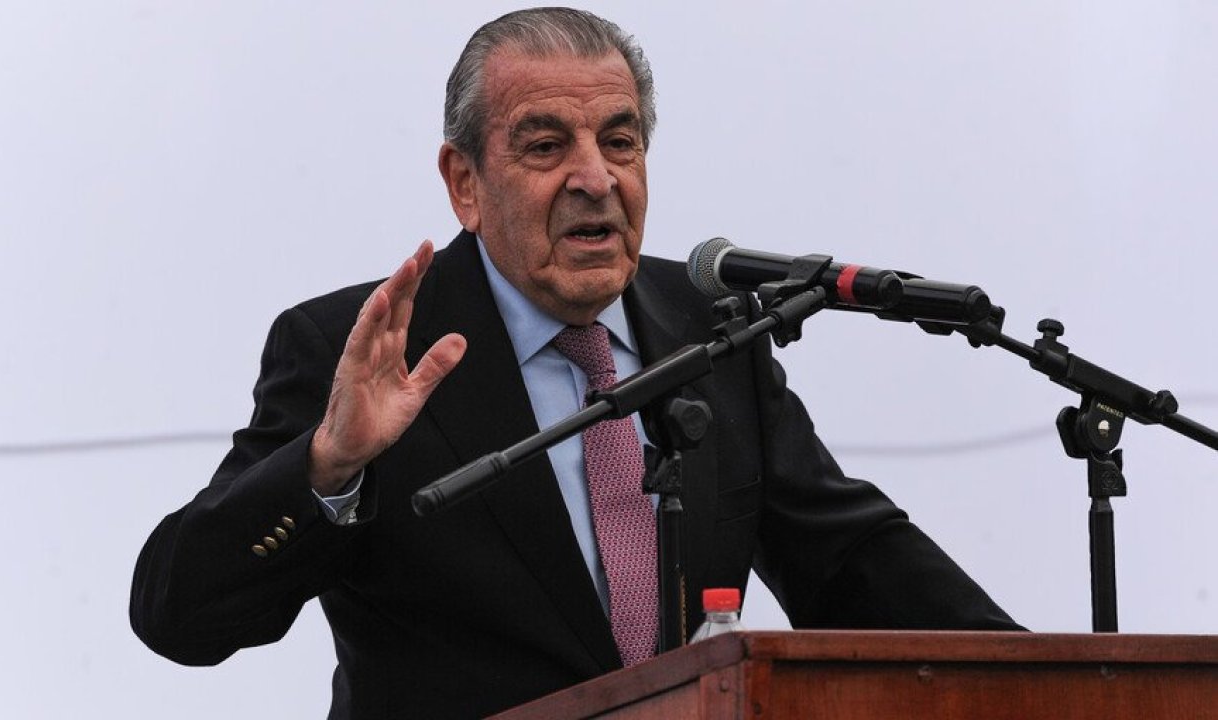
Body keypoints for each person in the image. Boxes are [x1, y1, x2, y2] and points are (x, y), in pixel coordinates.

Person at [131, 7, 1020, 719]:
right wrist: (329, 467)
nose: (596, 178)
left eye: (620, 142)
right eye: (546, 145)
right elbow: (181, 618)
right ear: (465, 183)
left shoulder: (713, 333)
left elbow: (852, 561)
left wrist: (1049, 675)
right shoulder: (362, 351)